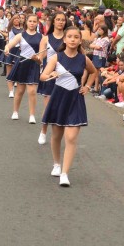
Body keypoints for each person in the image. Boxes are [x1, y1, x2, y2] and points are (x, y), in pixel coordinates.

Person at [40, 26, 96, 187]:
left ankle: (65, 173)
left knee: (70, 137)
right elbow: (42, 76)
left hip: (75, 99)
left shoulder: (83, 59)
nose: (72, 39)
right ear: (64, 39)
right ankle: (57, 164)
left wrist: (87, 86)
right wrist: (50, 75)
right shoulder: (56, 58)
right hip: (58, 98)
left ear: (80, 40)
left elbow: (93, 72)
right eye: (69, 36)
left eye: (76, 37)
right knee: (56, 135)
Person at [37, 11, 72, 146]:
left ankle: (59, 134)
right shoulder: (46, 38)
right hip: (49, 74)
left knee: (63, 106)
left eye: (63, 20)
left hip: (64, 76)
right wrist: (36, 59)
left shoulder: (68, 38)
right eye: (58, 19)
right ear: (53, 22)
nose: (60, 22)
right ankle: (43, 131)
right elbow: (41, 57)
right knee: (49, 106)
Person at [4, 13, 43, 123]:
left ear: (37, 23)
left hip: (34, 64)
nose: (32, 23)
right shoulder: (21, 35)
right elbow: (9, 44)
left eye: (34, 21)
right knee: (20, 90)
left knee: (32, 91)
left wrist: (38, 58)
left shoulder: (41, 37)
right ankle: (15, 111)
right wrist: (6, 48)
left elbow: (41, 55)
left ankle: (32, 115)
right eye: (30, 21)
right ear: (26, 22)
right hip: (22, 63)